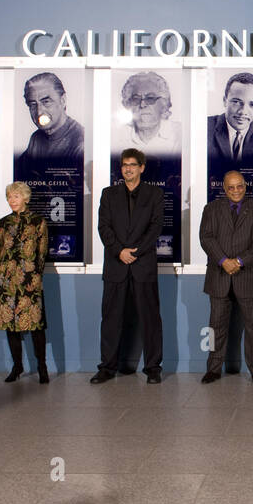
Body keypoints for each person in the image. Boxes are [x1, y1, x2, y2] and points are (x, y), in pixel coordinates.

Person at [92, 148, 165, 385]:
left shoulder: (154, 194)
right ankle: (107, 367)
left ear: (142, 168)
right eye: (124, 165)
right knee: (111, 319)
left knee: (150, 319)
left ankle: (153, 368)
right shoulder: (108, 194)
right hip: (116, 266)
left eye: (133, 164)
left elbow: (155, 228)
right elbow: (104, 228)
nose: (128, 169)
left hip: (143, 266)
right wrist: (119, 251)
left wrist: (136, 252)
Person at [199, 170, 253, 384]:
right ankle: (213, 368)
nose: (236, 190)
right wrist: (224, 260)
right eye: (231, 187)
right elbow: (206, 237)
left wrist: (238, 261)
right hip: (219, 276)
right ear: (224, 189)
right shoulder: (211, 209)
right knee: (215, 327)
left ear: (245, 186)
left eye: (239, 186)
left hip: (247, 276)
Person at [0, 182, 50, 384]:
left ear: (25, 197)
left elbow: (42, 252)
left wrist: (34, 276)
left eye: (16, 196)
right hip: (6, 278)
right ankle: (17, 366)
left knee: (35, 325)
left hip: (29, 278)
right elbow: (0, 250)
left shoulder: (38, 221)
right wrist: (5, 274)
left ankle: (42, 366)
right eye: (9, 197)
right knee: (10, 324)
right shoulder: (3, 222)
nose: (12, 200)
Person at [16, 72, 84, 174]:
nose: (39, 112)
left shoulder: (80, 141)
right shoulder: (36, 138)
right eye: (33, 104)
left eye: (46, 102)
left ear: (63, 100)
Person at [207, 72, 253, 163]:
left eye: (252, 104)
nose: (243, 112)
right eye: (236, 102)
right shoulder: (203, 129)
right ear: (225, 101)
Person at [115, 71, 181, 162]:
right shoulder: (116, 137)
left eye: (150, 98)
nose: (142, 104)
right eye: (136, 99)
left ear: (163, 103)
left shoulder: (181, 135)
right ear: (128, 105)